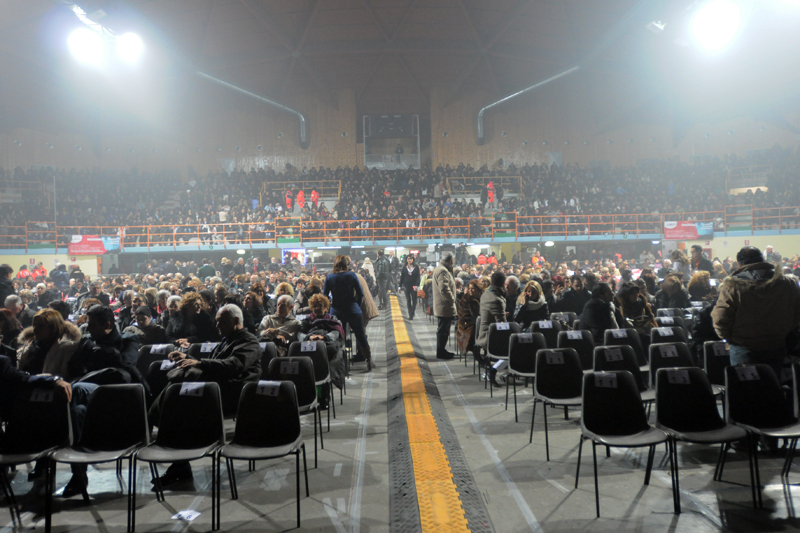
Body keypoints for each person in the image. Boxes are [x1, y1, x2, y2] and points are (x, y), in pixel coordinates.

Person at [150, 304, 261, 488]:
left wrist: (199, 363)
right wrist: (187, 357)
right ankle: (178, 461)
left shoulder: (249, 341)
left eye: (221, 322)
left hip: (232, 394)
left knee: (178, 406)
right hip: (215, 389)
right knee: (178, 400)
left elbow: (234, 365)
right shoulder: (227, 340)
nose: (217, 326)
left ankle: (176, 458)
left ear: (235, 321)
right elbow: (213, 365)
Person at [712, 246, 800, 378]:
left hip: (743, 348)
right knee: (772, 385)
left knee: (746, 388)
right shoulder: (788, 283)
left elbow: (720, 319)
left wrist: (731, 338)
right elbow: (796, 313)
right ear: (762, 260)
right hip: (777, 345)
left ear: (739, 264)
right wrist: (784, 331)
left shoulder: (732, 286)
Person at [322, 255, 374, 369]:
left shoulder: (329, 277)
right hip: (352, 309)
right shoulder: (351, 275)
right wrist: (356, 305)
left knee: (338, 337)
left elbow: (324, 296)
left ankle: (340, 362)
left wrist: (331, 305)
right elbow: (360, 293)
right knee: (361, 336)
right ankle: (368, 360)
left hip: (336, 311)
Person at [298, 294, 346, 406]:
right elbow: (300, 334)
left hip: (327, 347)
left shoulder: (332, 319)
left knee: (326, 361)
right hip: (309, 346)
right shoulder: (307, 321)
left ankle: (324, 393)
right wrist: (309, 337)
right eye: (314, 306)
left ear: (326, 307)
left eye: (320, 306)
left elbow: (336, 332)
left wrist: (324, 337)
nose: (317, 308)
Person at [432, 253, 457, 360]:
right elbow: (444, 289)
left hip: (444, 305)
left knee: (444, 330)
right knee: (443, 331)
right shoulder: (443, 271)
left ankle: (442, 350)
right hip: (444, 306)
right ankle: (441, 352)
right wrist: (452, 299)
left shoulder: (442, 269)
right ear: (451, 260)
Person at [457, 280, 483, 358]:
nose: (470, 290)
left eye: (473, 288)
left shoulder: (479, 298)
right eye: (469, 288)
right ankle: (479, 354)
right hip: (467, 325)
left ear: (478, 289)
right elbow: (475, 315)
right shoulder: (470, 300)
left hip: (471, 323)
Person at [399, 254, 421, 320]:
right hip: (406, 286)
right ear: (406, 260)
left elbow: (418, 277)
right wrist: (399, 286)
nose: (409, 260)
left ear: (413, 260)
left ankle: (413, 312)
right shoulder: (404, 267)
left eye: (411, 259)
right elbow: (402, 277)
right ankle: (410, 313)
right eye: (408, 259)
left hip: (414, 286)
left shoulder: (416, 267)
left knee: (414, 299)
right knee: (408, 300)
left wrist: (417, 285)